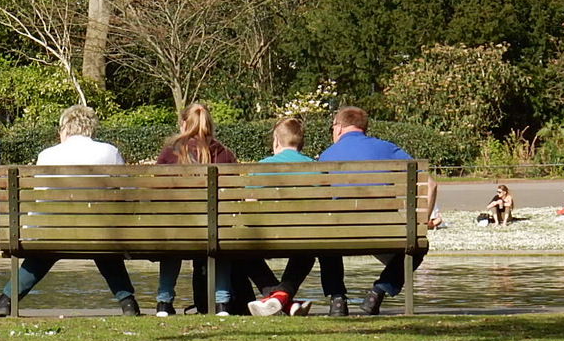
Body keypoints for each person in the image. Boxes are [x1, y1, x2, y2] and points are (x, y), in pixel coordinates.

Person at [0, 104, 142, 317]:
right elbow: (128, 192)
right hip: (100, 232)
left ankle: (6, 300)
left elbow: (40, 196)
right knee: (103, 246)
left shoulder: (47, 155)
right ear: (91, 129)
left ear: (66, 129)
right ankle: (128, 303)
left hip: (54, 230)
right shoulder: (109, 151)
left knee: (47, 251)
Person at [316, 106, 435, 316]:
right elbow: (431, 184)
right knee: (417, 246)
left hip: (340, 233)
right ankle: (378, 291)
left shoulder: (326, 156)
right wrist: (422, 222)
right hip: (383, 229)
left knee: (326, 238)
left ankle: (337, 299)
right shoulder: (388, 149)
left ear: (339, 127)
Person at [152, 104, 234, 317]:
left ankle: (164, 302)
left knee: (172, 235)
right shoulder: (224, 153)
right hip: (215, 230)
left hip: (178, 229)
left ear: (183, 124)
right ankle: (222, 304)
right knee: (221, 236)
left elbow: (156, 191)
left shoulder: (171, 152)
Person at [239, 117, 321, 318]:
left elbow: (248, 206)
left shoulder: (261, 167)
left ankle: (276, 297)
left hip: (266, 235)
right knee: (307, 253)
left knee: (242, 253)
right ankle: (284, 299)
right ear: (301, 142)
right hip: (304, 236)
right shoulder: (315, 167)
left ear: (276, 141)